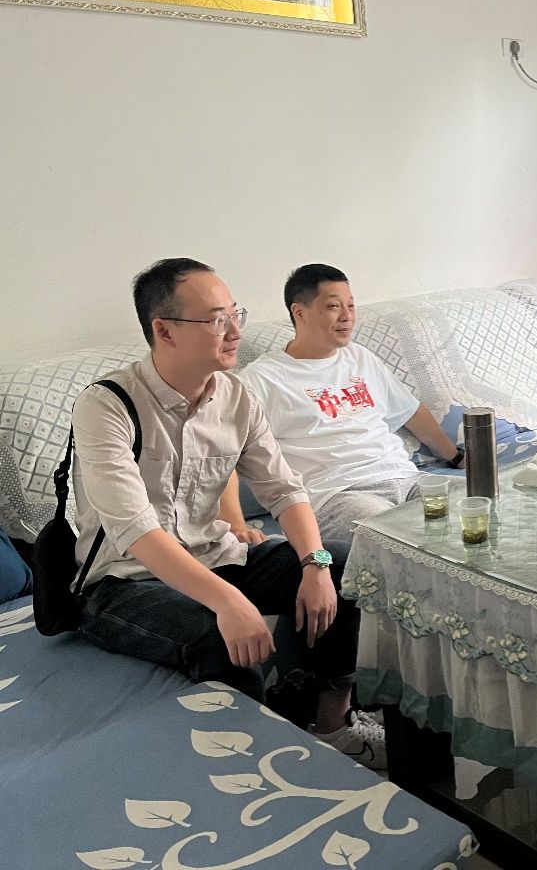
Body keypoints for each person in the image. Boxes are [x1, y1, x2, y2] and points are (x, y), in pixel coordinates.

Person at [72, 259, 386, 768]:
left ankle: (333, 727)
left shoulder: (237, 396)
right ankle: (257, 766)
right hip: (125, 581)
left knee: (349, 564)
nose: (236, 331)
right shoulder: (106, 405)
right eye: (218, 319)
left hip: (219, 556)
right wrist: (229, 602)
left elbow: (284, 489)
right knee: (221, 634)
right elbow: (135, 530)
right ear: (164, 330)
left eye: (235, 314)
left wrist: (315, 563)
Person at [233, 264, 463, 547]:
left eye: (351, 306)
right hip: (339, 495)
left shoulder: (359, 356)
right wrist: (235, 524)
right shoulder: (263, 379)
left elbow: (410, 411)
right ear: (299, 312)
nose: (347, 316)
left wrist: (456, 457)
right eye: (333, 306)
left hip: (407, 479)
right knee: (401, 540)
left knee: (491, 502)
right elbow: (224, 454)